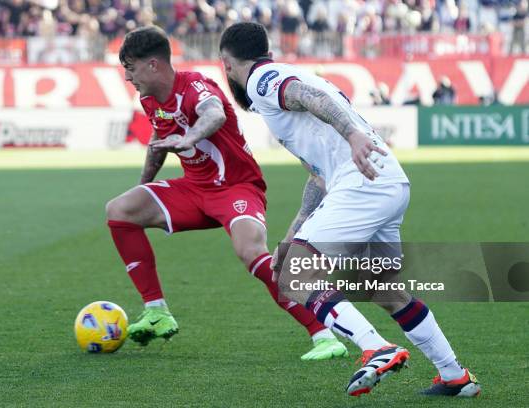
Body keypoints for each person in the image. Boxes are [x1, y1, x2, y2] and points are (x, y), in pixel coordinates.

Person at [219, 22, 480, 397]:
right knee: (382, 289)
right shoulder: (284, 73)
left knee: (295, 275)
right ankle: (455, 376)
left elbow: (308, 97)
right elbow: (318, 177)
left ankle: (376, 347)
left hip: (363, 183)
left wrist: (353, 135)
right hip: (385, 182)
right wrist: (293, 233)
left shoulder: (263, 79)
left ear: (227, 63)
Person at [106, 26, 349, 361]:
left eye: (130, 68)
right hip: (194, 188)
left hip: (237, 186)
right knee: (119, 210)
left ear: (153, 65)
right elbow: (158, 143)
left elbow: (214, 114)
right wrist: (143, 185)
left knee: (251, 251)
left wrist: (190, 138)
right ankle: (157, 311)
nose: (128, 77)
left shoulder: (196, 87)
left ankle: (322, 333)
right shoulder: (149, 99)